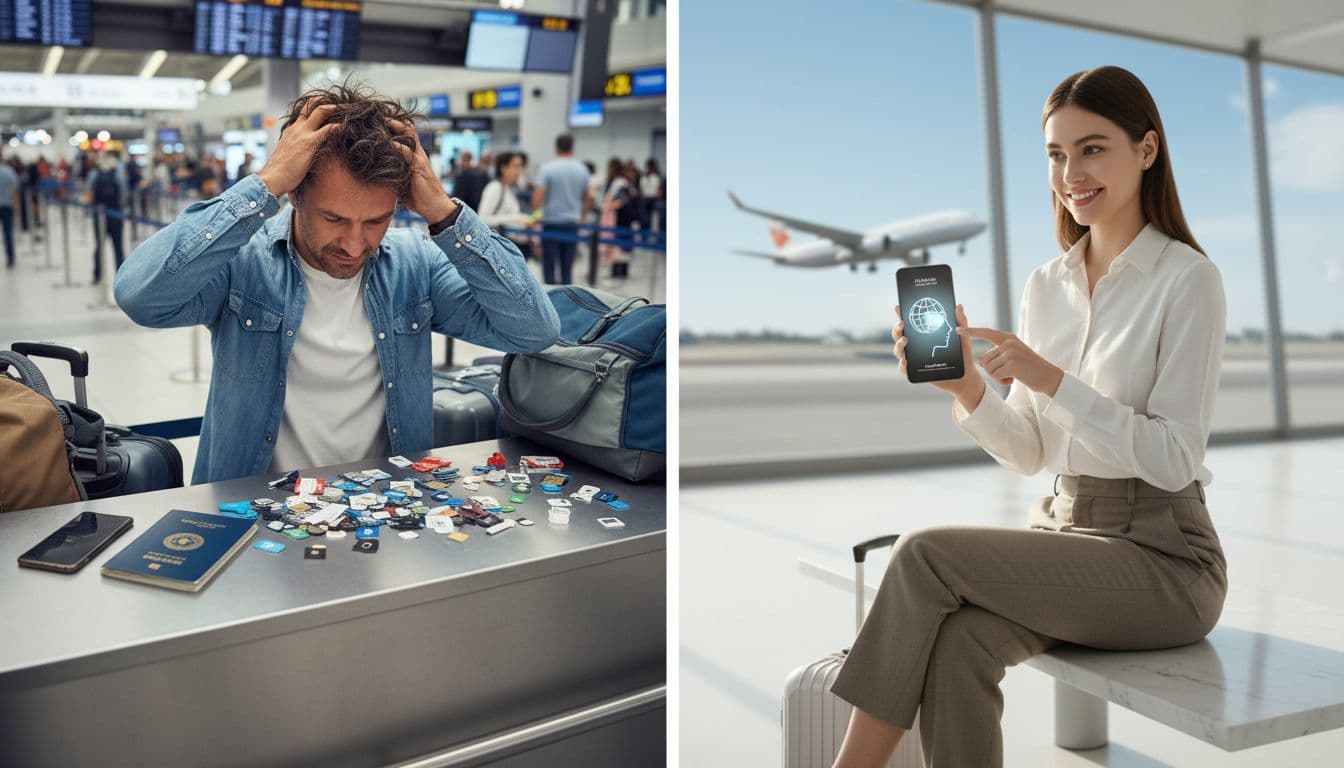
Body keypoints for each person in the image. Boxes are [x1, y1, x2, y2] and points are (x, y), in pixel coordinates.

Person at [829, 65, 1228, 768]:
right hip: (1068, 533)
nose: (1070, 172)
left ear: (1147, 150)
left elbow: (1174, 459)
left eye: (1093, 147)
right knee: (957, 645)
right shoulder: (1048, 285)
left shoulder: (1188, 280)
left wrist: (1053, 379)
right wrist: (967, 388)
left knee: (923, 552)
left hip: (1169, 563)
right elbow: (1030, 452)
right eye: (1056, 153)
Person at [115, 82, 560, 484]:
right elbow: (139, 296)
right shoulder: (242, 265)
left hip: (382, 508)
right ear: (295, 194)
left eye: (375, 221)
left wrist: (444, 212)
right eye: (334, 218)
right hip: (252, 511)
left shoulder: (415, 266)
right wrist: (263, 184)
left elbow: (533, 329)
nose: (353, 243)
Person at [531, 133, 592, 284]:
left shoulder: (548, 168)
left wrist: (536, 215)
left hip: (551, 224)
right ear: (572, 147)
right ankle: (567, 300)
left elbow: (538, 197)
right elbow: (588, 198)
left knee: (549, 266)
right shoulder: (582, 169)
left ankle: (551, 301)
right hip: (572, 224)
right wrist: (583, 217)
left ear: (556, 147)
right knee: (567, 267)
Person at [479, 152, 532, 257]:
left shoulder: (508, 189)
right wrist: (515, 218)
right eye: (516, 167)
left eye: (521, 167)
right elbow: (483, 219)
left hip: (511, 248)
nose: (519, 171)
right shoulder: (495, 188)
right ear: (504, 168)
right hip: (500, 251)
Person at [87, 153, 127, 284]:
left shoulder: (94, 174)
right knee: (118, 247)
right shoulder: (118, 174)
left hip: (99, 216)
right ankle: (122, 276)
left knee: (99, 246)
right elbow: (123, 196)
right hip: (116, 216)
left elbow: (89, 194)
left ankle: (97, 275)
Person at [0, 158, 18, 268]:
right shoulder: (9, 171)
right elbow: (15, 188)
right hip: (7, 205)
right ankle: (10, 257)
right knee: (8, 234)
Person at [640, 158, 662, 232]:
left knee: (654, 221)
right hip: (645, 200)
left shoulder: (657, 177)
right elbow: (641, 189)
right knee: (644, 220)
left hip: (654, 200)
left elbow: (659, 191)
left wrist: (654, 196)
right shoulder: (643, 177)